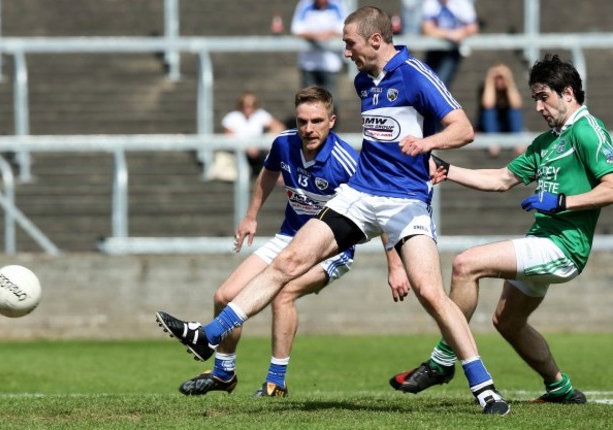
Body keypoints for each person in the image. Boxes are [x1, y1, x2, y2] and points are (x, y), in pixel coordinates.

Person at [156, 6, 510, 415]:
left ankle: (484, 387)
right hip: (359, 196)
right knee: (289, 260)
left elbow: (463, 128)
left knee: (430, 293)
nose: (346, 53)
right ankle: (211, 334)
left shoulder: (415, 74)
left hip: (406, 202)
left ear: (375, 40)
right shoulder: (364, 81)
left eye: (350, 43)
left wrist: (427, 145)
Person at [392, 54, 613, 404]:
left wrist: (561, 203)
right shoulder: (546, 143)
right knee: (507, 321)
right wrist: (449, 171)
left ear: (568, 92)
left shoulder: (587, 131)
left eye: (544, 97)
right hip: (544, 241)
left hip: (564, 246)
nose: (538, 106)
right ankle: (561, 389)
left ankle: (442, 360)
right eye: (535, 98)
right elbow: (501, 179)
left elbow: (612, 187)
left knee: (466, 264)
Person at [173, 86, 409, 397]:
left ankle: (276, 382)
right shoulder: (284, 143)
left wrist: (395, 266)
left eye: (316, 121)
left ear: (332, 121)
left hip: (332, 249)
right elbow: (268, 174)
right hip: (288, 238)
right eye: (302, 121)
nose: (308, 129)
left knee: (283, 292)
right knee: (224, 295)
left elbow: (379, 214)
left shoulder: (347, 162)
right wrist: (251, 216)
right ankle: (223, 374)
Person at [209, 92, 285, 182]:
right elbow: (229, 136)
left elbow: (279, 127)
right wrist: (246, 147)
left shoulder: (260, 115)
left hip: (258, 150)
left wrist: (265, 140)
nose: (249, 108)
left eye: (252, 105)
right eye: (246, 105)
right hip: (238, 150)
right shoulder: (232, 117)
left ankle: (279, 174)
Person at [290, 0, 348, 105]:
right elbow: (296, 28)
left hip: (330, 63)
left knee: (330, 101)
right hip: (308, 63)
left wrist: (329, 33)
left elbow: (345, 27)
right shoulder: (305, 4)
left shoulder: (337, 5)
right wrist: (314, 36)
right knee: (307, 100)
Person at [421, 0, 479, 89]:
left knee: (440, 84)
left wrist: (461, 32)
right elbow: (427, 28)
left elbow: (473, 27)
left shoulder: (462, 3)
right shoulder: (431, 2)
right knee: (425, 82)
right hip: (433, 50)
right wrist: (450, 34)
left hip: (452, 50)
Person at [477, 62, 526, 157]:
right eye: (497, 77)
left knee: (514, 111)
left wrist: (509, 80)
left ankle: (517, 142)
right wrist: (490, 80)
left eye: (502, 77)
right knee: (489, 111)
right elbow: (488, 104)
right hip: (489, 127)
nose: (499, 80)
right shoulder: (485, 88)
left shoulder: (511, 88)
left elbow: (516, 105)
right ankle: (492, 143)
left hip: (508, 126)